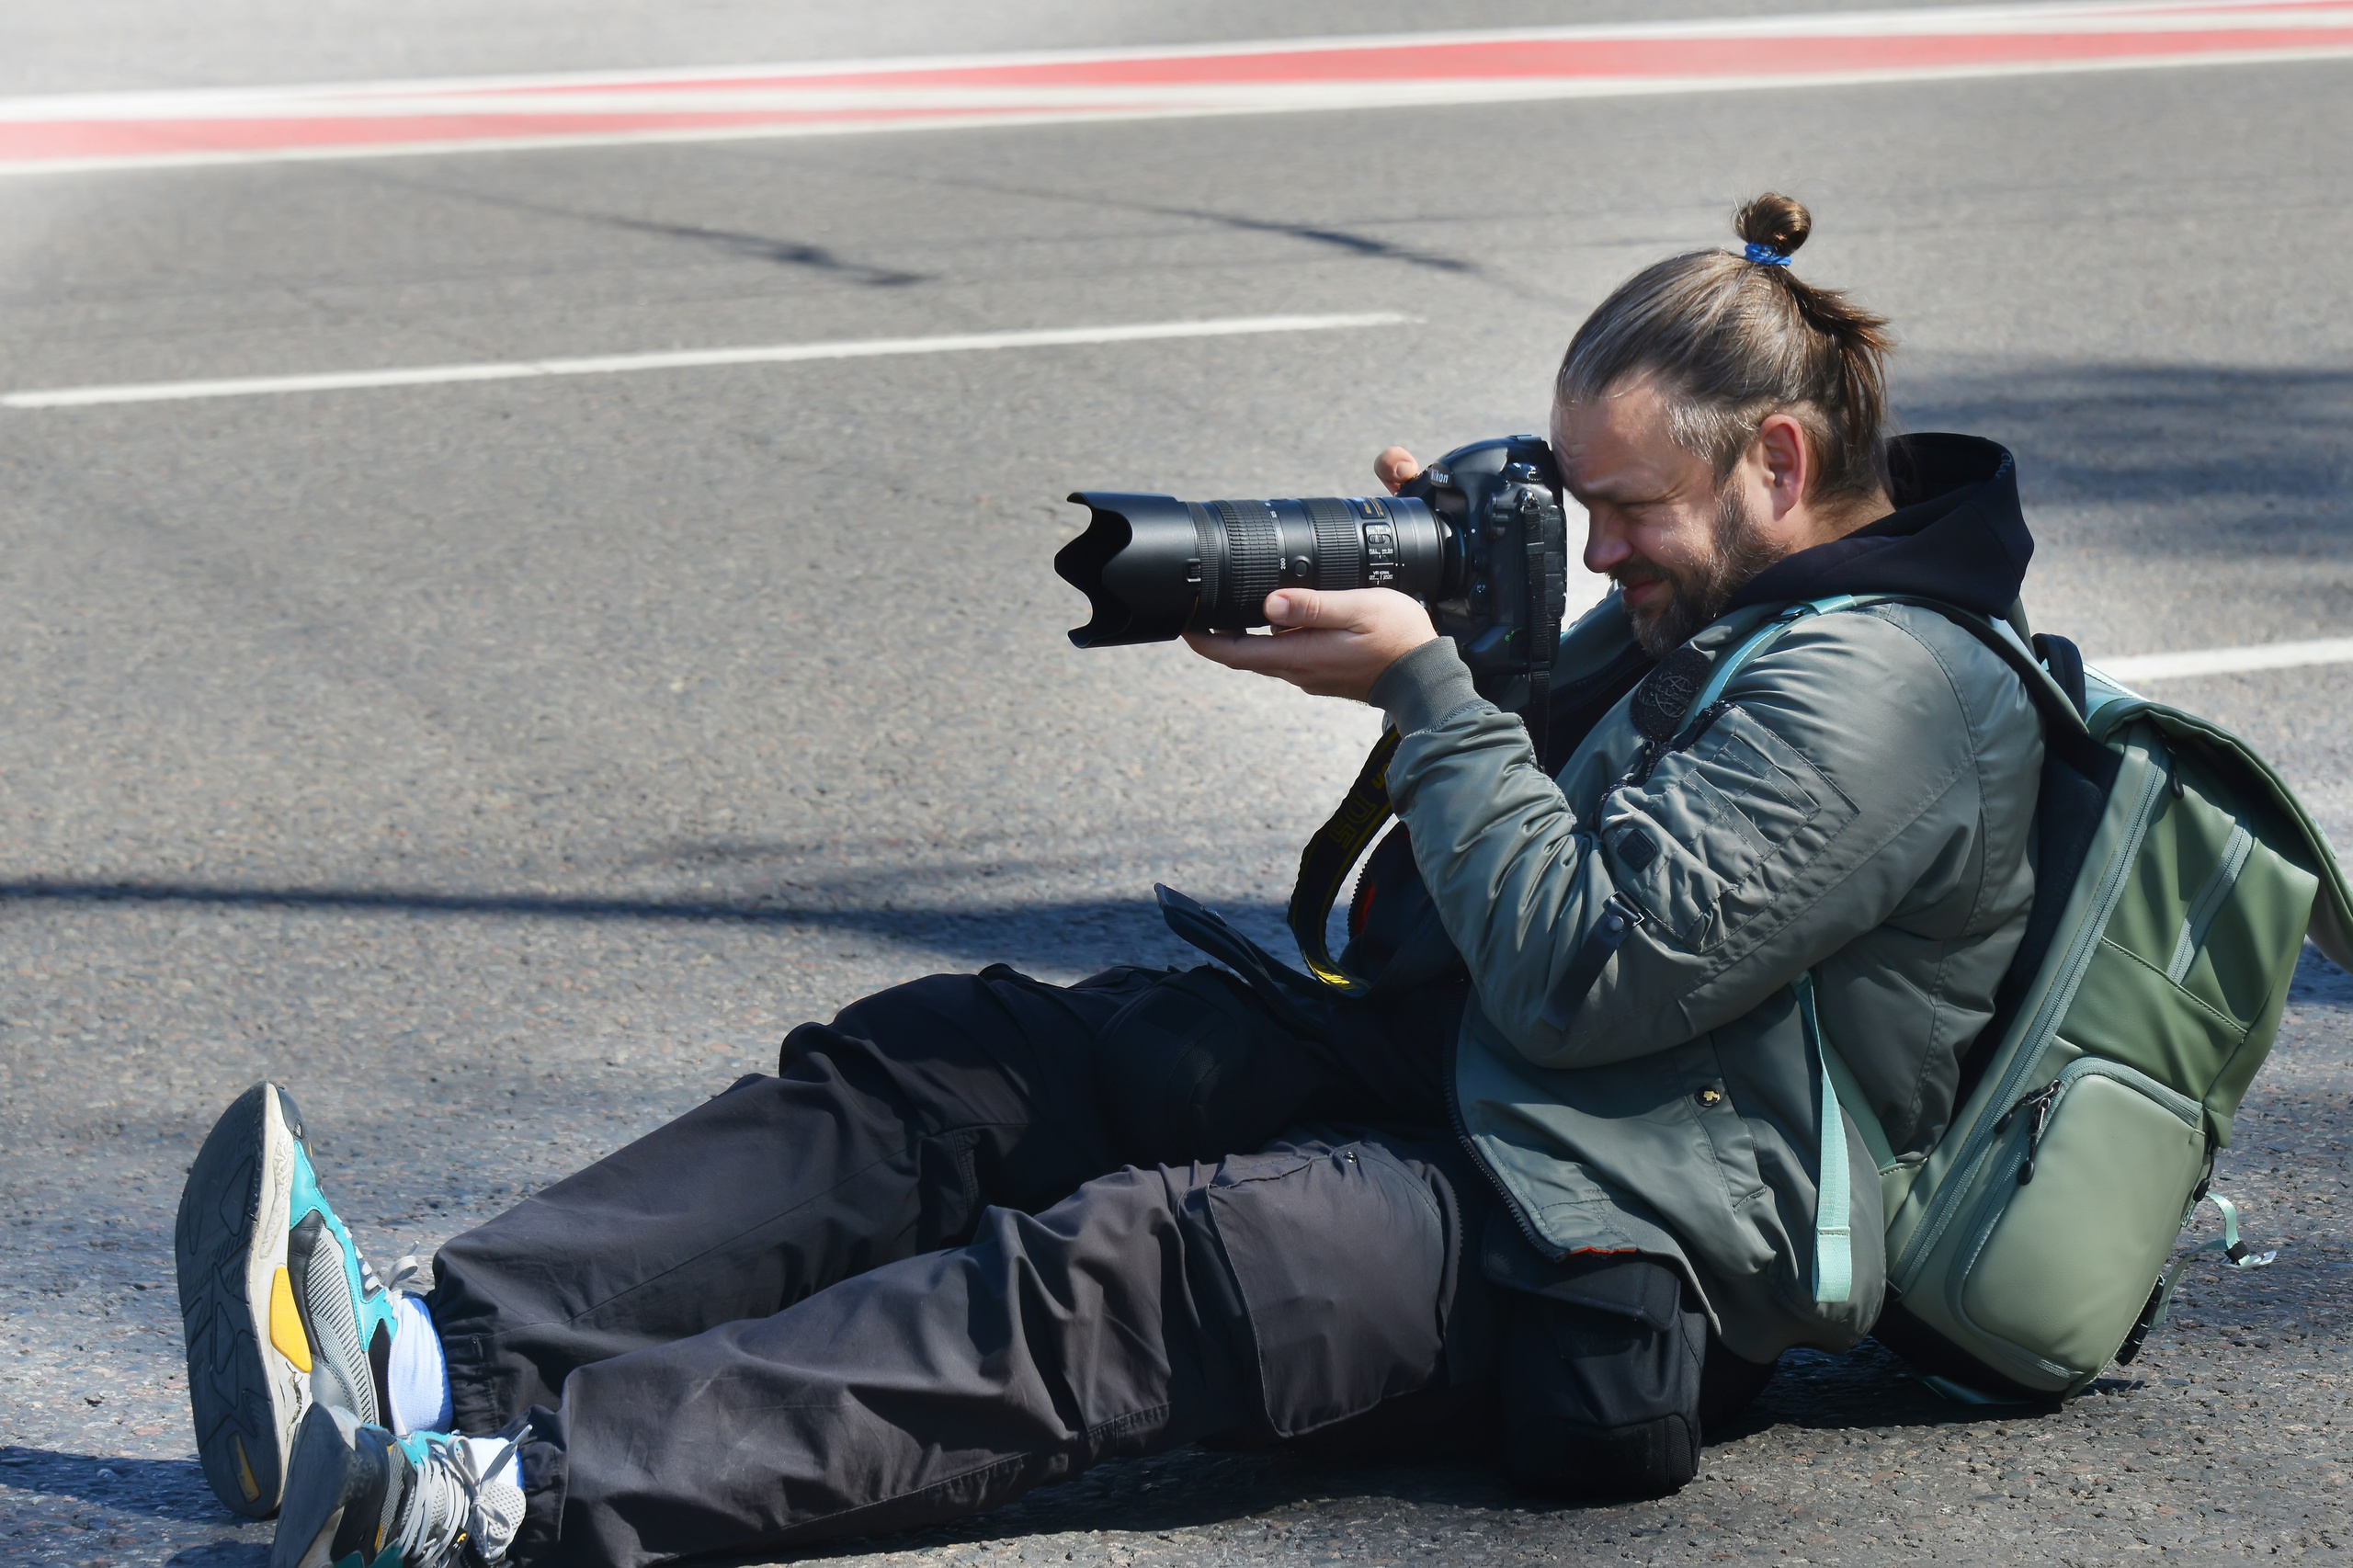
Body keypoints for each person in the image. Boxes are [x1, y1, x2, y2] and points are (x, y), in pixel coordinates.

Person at [175, 193, 2046, 1568]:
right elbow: (1494, 894)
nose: (1602, 544)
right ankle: (432, 1352)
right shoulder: (1728, 616)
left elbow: (1586, 975)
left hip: (1609, 1244)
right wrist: (1476, 640)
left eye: (1623, 508)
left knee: (1129, 1270)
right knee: (972, 1061)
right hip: (1478, 1084)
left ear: (1777, 459)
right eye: (1578, 503)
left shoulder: (1889, 686)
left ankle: (509, 1500)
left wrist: (1431, 688)